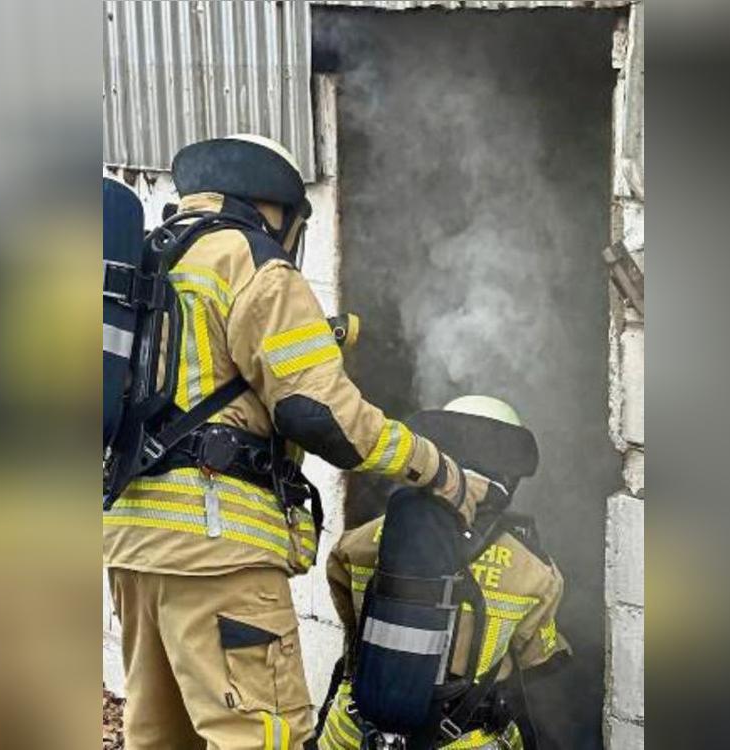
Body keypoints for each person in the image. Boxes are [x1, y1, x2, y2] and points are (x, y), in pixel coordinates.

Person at [104, 135, 491, 750]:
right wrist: (441, 472)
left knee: (160, 738)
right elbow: (322, 415)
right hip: (218, 551)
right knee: (265, 738)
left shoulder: (153, 257)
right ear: (277, 207)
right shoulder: (253, 263)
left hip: (133, 548)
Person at [318, 396, 571, 750]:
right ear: (508, 477)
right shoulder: (534, 572)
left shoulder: (359, 542)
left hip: (351, 737)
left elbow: (351, 626)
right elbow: (536, 660)